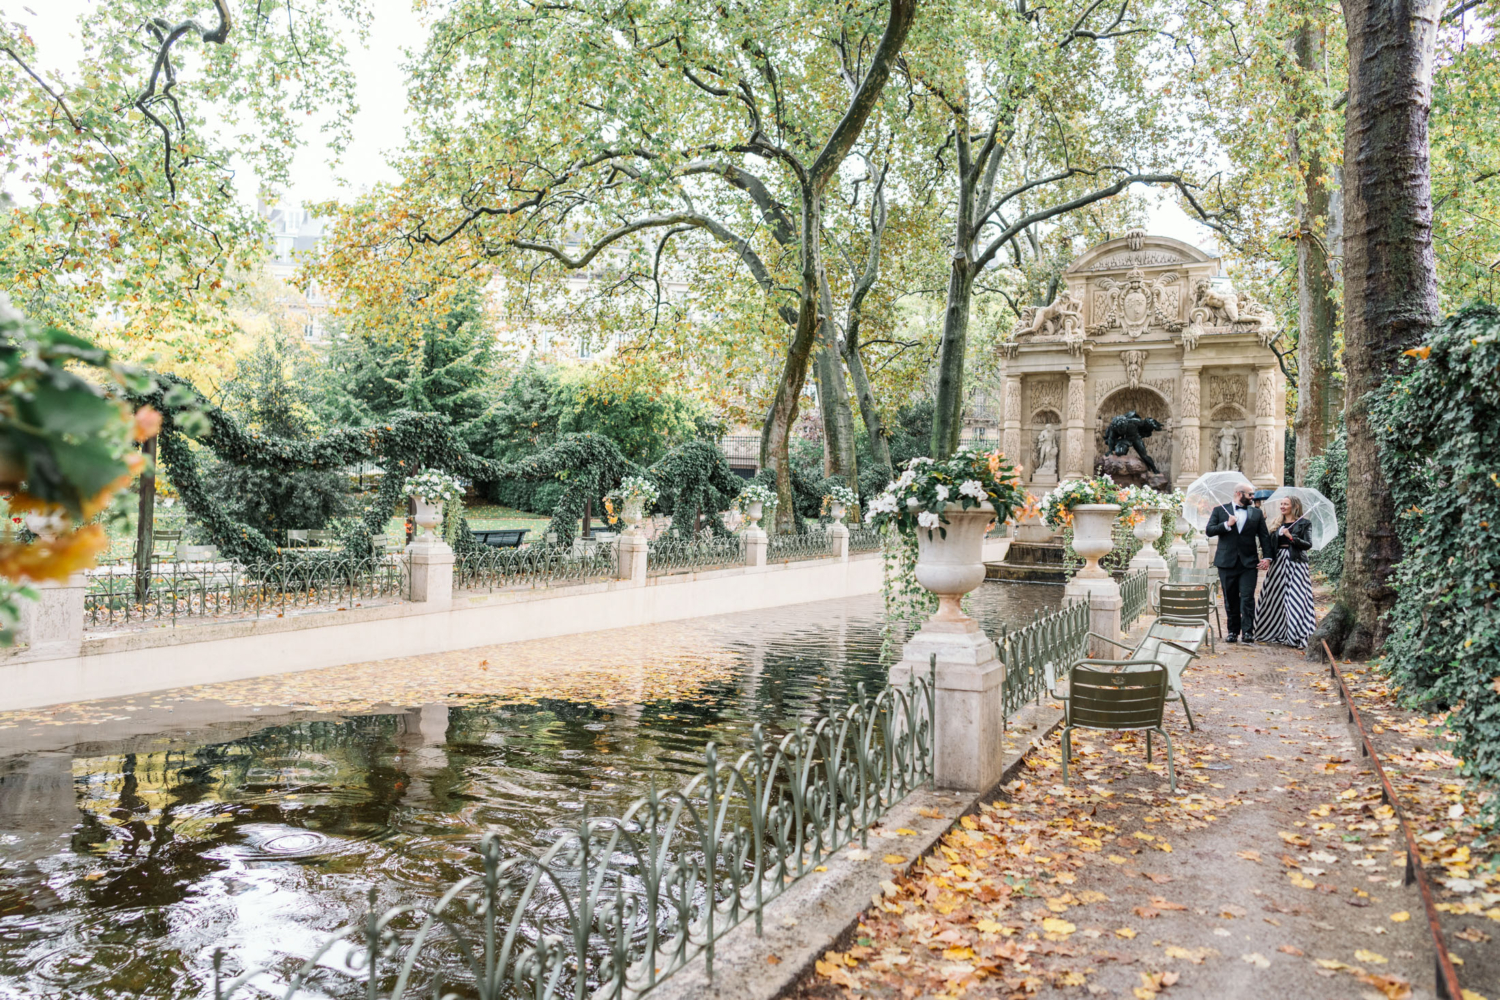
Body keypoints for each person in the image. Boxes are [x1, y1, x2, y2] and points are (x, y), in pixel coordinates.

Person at [1205, 483, 1273, 643]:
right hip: (1226, 562)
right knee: (1230, 598)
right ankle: (1233, 632)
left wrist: (1267, 557)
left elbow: (1264, 536)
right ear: (1238, 493)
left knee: (1248, 598)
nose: (1252, 497)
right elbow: (1209, 530)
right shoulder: (1220, 510)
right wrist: (1227, 525)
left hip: (1249, 563)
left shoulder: (1256, 513)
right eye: (1250, 494)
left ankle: (1248, 632)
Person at [1256, 496, 1317, 648]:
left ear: (1294, 506)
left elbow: (1308, 544)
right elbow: (1269, 544)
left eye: (1286, 504)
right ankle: (1273, 630)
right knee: (1274, 597)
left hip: (1296, 563)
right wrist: (1267, 558)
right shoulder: (1277, 523)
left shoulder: (1304, 523)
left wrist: (1292, 537)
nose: (1282, 506)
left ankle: (1296, 633)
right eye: (1281, 504)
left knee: (1296, 598)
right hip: (1278, 564)